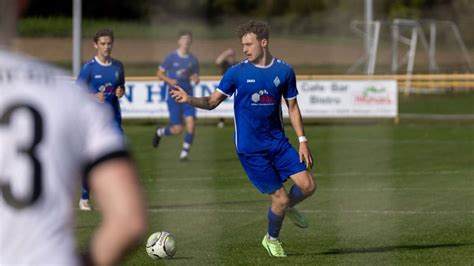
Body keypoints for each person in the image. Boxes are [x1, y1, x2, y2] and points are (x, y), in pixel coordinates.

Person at [0, 3, 147, 265]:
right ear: (21, 5)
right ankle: (84, 198)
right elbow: (129, 221)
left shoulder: (113, 70)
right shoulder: (68, 97)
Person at [170, 20, 316, 257]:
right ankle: (271, 239)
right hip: (251, 149)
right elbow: (211, 103)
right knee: (279, 200)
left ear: (264, 42)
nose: (245, 49)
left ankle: (286, 206)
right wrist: (188, 100)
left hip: (278, 143)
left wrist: (302, 140)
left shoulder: (285, 71)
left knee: (308, 186)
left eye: (249, 44)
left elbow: (293, 107)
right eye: (243, 45)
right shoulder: (236, 73)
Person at [76, 28, 126, 211]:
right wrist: (92, 96)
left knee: (118, 160)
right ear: (95, 45)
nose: (106, 47)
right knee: (94, 161)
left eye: (109, 43)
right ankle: (84, 197)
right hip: (93, 123)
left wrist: (121, 92)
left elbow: (121, 88)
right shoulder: (89, 68)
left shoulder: (118, 66)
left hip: (114, 121)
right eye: (103, 43)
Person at [152, 30, 200, 161]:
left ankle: (184, 154)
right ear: (179, 41)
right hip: (174, 97)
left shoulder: (193, 59)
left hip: (188, 96)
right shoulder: (171, 57)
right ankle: (160, 132)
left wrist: (196, 78)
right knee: (177, 129)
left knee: (191, 124)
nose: (186, 42)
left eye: (188, 39)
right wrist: (169, 81)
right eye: (184, 39)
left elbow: (195, 76)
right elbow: (159, 74)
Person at [215, 48, 239, 128]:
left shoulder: (237, 64)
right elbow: (217, 61)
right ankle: (221, 121)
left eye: (232, 55)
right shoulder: (225, 63)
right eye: (230, 56)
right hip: (225, 86)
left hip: (235, 86)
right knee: (221, 102)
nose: (231, 57)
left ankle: (238, 120)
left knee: (237, 103)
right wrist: (226, 53)